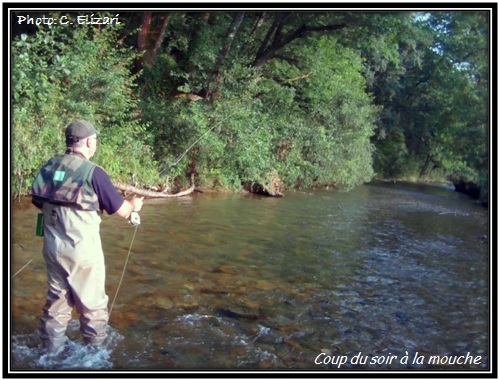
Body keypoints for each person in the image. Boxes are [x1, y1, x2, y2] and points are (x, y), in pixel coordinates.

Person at [30, 120, 143, 351]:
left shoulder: (49, 167)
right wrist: (134, 204)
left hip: (53, 248)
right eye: (95, 141)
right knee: (92, 307)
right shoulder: (94, 173)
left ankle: (49, 354)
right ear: (89, 142)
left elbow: (38, 202)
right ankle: (94, 358)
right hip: (82, 252)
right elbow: (122, 212)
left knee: (57, 305)